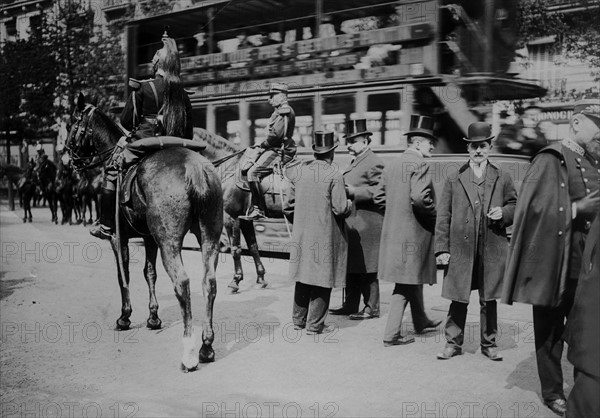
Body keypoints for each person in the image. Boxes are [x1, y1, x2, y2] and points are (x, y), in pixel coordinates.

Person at [502, 99, 600, 416]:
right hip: (554, 262)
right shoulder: (550, 158)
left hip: (586, 263)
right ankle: (553, 391)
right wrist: (575, 210)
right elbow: (531, 211)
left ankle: (583, 387)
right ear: (576, 122)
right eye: (597, 126)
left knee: (584, 327)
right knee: (550, 330)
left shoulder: (593, 161)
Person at [89, 29, 193, 240]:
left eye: (155, 56)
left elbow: (126, 121)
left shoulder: (144, 88)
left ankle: (106, 225)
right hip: (177, 146)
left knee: (112, 168)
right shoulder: (183, 94)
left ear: (157, 64)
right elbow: (188, 131)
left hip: (146, 142)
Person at [435, 122, 517, 361]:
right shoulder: (454, 177)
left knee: (488, 298)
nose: (478, 151)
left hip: (491, 245)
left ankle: (489, 343)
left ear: (489, 147)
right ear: (468, 149)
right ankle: (453, 343)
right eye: (474, 146)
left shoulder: (502, 176)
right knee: (458, 297)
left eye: (482, 146)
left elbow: (515, 204)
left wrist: (504, 213)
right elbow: (443, 215)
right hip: (461, 247)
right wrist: (441, 248)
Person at [378, 115, 442, 346]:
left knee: (411, 278)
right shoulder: (420, 164)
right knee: (404, 284)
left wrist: (396, 216)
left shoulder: (392, 163)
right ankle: (391, 334)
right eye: (429, 143)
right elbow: (419, 199)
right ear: (417, 144)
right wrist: (437, 218)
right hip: (413, 235)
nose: (432, 146)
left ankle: (421, 320)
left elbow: (378, 197)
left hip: (394, 234)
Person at [284, 131, 352, 334]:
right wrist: (349, 203)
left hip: (302, 235)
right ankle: (315, 325)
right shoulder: (334, 174)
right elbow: (340, 209)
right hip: (324, 235)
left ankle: (298, 321)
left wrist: (302, 224)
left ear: (315, 152)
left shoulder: (299, 173)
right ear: (331, 153)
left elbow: (288, 207)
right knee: (323, 278)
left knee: (303, 275)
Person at [328, 119, 384, 320]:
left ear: (366, 140)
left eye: (353, 140)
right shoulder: (357, 160)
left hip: (368, 224)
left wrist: (354, 191)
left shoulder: (374, 161)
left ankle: (371, 308)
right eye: (348, 140)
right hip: (356, 223)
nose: (348, 145)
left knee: (368, 269)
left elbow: (381, 191)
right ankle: (350, 304)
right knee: (353, 266)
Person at [241, 82, 296, 220]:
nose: (269, 99)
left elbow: (277, 135)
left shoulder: (285, 111)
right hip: (274, 148)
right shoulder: (278, 111)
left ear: (282, 96)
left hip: (279, 151)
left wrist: (262, 144)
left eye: (272, 95)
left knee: (252, 173)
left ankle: (258, 209)